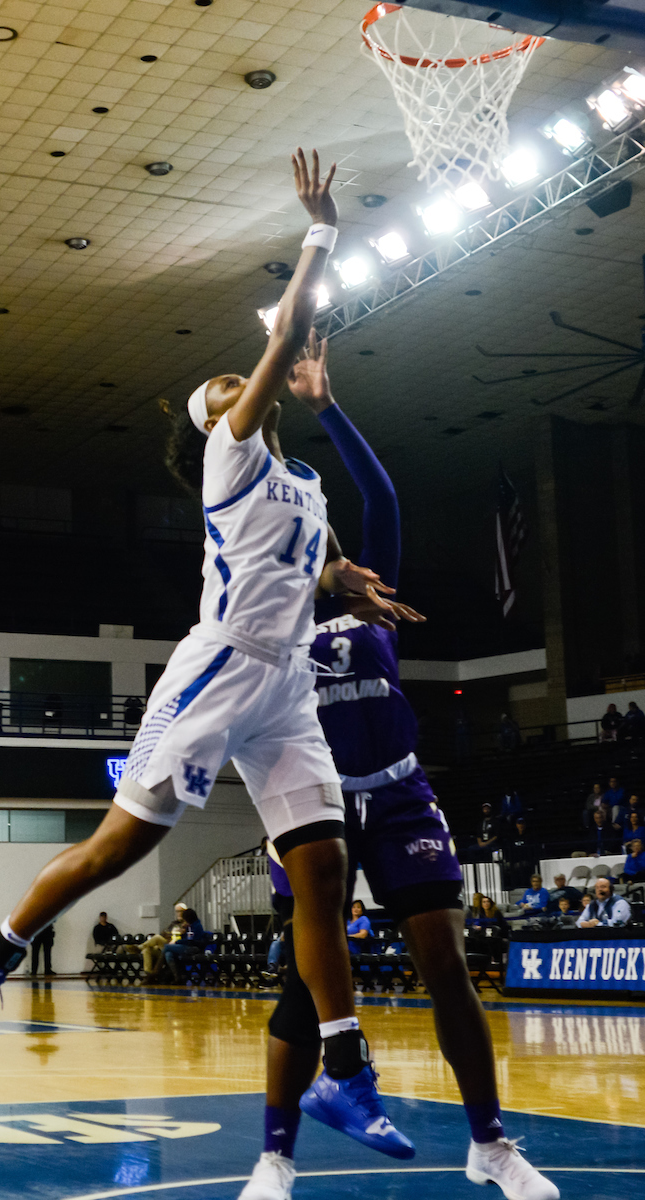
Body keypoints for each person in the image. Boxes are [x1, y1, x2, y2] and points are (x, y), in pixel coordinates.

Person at [0, 153, 424, 1157]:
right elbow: (284, 332)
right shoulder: (231, 450)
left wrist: (341, 580)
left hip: (287, 681)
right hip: (218, 669)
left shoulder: (296, 477)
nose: (231, 382)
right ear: (216, 422)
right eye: (221, 386)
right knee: (124, 847)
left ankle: (344, 1072)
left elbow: (313, 554)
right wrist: (320, 232)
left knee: (325, 868)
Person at [239, 338, 556, 1200]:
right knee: (301, 992)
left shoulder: (373, 588)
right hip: (316, 809)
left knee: (447, 967)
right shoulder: (268, 615)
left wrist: (323, 406)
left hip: (401, 794)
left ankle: (490, 1144)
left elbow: (380, 494)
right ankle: (275, 1159)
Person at [162, 907, 207, 982]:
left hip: (193, 948)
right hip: (187, 946)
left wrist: (178, 942)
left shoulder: (197, 926)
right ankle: (177, 977)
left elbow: (191, 941)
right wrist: (183, 933)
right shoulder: (189, 926)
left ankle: (157, 972)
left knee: (166, 947)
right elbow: (186, 939)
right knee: (168, 954)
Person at [505, 816, 535, 889]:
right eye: (519, 824)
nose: (521, 825)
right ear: (516, 825)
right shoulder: (512, 836)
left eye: (522, 824)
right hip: (515, 861)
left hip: (526, 861)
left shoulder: (529, 835)